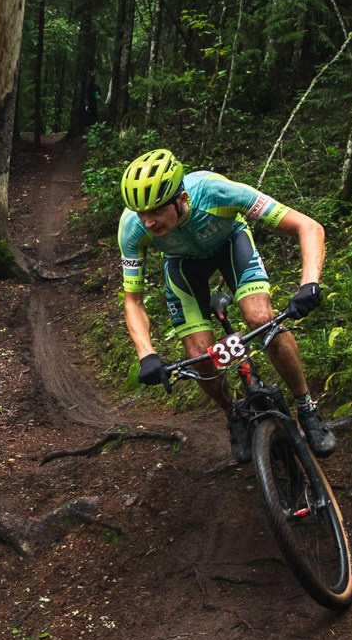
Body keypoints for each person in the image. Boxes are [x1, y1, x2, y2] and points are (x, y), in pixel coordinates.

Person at [115, 147, 336, 463]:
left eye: (155, 212)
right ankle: (233, 413)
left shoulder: (217, 191)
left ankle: (307, 407)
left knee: (261, 319)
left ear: (181, 199)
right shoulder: (132, 228)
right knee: (199, 356)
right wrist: (146, 354)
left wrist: (309, 283)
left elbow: (308, 227)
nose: (147, 222)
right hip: (182, 265)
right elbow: (133, 300)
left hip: (231, 244)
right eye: (140, 213)